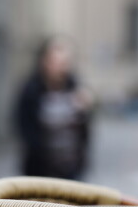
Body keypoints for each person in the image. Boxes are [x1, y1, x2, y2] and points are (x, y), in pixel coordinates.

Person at [14, 36, 93, 180]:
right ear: (45, 61)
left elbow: (85, 131)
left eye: (66, 62)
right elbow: (23, 126)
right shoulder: (31, 90)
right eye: (58, 61)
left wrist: (86, 109)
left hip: (71, 170)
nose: (63, 67)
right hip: (39, 170)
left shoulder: (77, 89)